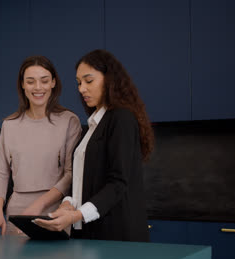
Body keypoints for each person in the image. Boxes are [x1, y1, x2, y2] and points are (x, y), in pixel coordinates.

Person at [34, 49, 154, 241]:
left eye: (89, 81)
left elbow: (117, 182)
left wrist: (76, 215)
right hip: (89, 232)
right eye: (79, 82)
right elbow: (84, 182)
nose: (81, 89)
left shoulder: (121, 118)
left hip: (117, 235)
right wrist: (68, 204)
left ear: (110, 80)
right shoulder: (93, 125)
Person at [0, 56, 82, 236]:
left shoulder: (69, 121)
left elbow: (71, 174)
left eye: (44, 81)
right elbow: (0, 173)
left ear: (53, 83)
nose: (38, 87)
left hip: (55, 210)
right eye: (30, 81)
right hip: (18, 212)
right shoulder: (9, 125)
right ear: (22, 85)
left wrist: (38, 206)